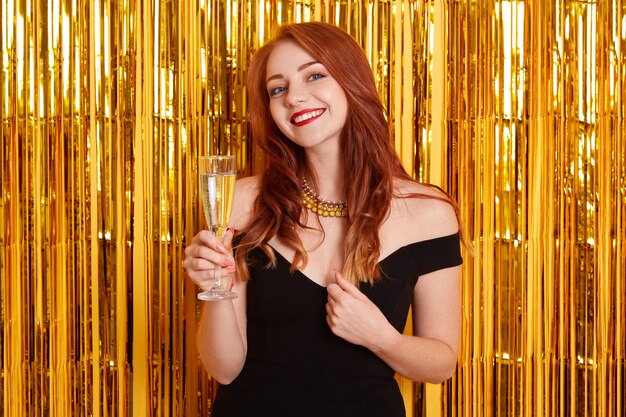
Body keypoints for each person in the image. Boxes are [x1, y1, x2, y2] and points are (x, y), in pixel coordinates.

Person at [183, 21, 464, 417]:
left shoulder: (430, 212)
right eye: (277, 88)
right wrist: (215, 285)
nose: (294, 97)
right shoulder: (242, 200)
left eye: (314, 75)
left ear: (352, 81)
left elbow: (441, 364)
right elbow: (223, 369)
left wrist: (381, 337)